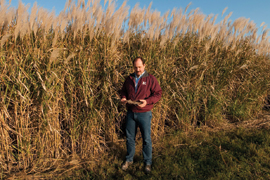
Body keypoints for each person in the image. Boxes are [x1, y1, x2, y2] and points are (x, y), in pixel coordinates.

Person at [120, 57, 162, 173]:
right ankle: (129, 159)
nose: (137, 69)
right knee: (129, 138)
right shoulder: (129, 79)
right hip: (131, 113)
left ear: (144, 65)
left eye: (139, 67)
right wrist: (123, 97)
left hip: (144, 114)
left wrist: (147, 102)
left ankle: (147, 162)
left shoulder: (151, 79)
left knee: (146, 139)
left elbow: (158, 94)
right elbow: (123, 90)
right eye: (135, 67)